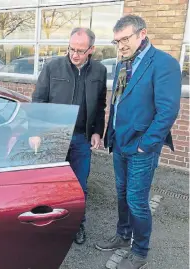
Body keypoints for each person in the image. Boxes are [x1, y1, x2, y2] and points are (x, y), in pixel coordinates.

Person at [96, 15, 182, 269]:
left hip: (141, 148)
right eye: (116, 41)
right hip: (120, 143)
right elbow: (118, 102)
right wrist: (109, 133)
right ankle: (123, 236)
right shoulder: (122, 63)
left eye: (125, 39)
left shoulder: (164, 63)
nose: (120, 45)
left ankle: (140, 249)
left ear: (142, 34)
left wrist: (147, 144)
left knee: (137, 201)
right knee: (122, 195)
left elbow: (167, 111)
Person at [29, 27, 108, 245]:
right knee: (52, 184)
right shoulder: (53, 67)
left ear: (91, 49)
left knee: (79, 186)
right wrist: (35, 132)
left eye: (81, 51)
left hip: (82, 138)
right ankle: (50, 225)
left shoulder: (100, 71)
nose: (74, 54)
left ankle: (76, 224)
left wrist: (96, 131)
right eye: (71, 48)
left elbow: (100, 105)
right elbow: (38, 100)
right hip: (53, 136)